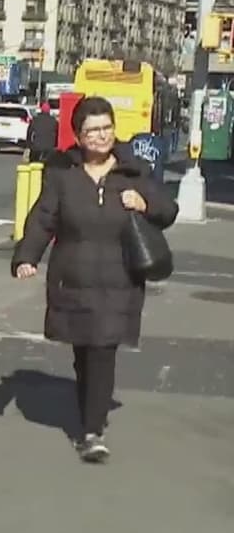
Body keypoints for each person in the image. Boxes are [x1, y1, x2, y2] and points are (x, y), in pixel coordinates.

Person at [12, 96, 177, 462]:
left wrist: (144, 204)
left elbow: (168, 210)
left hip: (120, 280)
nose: (101, 136)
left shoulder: (134, 172)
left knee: (103, 351)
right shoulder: (63, 175)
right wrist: (26, 257)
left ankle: (92, 431)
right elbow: (43, 219)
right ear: (78, 136)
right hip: (73, 278)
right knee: (84, 354)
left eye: (107, 128)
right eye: (92, 130)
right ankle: (90, 408)